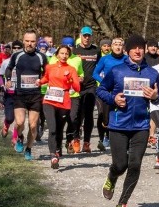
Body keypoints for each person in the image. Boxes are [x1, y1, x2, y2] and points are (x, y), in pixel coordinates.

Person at [96, 34, 159, 207]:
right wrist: (113, 99)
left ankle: (123, 204)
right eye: (134, 47)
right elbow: (101, 89)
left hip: (141, 125)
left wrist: (155, 97)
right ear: (127, 51)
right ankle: (112, 176)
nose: (138, 50)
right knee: (120, 164)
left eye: (141, 47)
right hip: (119, 124)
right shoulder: (117, 71)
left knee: (135, 165)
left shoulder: (152, 73)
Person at [5, 30, 48, 161]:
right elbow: (9, 68)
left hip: (35, 95)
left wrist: (42, 81)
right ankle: (19, 137)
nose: (30, 44)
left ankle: (28, 148)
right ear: (23, 41)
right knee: (19, 123)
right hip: (20, 94)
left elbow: (47, 73)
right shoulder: (17, 56)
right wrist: (8, 79)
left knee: (33, 125)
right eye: (27, 41)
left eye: (32, 41)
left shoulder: (41, 57)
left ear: (36, 42)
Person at [39, 44, 81, 169]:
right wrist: (39, 82)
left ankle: (58, 148)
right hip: (49, 101)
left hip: (64, 102)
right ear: (57, 54)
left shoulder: (71, 69)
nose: (64, 56)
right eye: (61, 53)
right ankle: (53, 156)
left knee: (59, 128)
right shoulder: (50, 67)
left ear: (69, 55)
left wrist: (70, 80)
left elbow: (77, 87)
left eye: (66, 54)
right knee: (52, 128)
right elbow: (45, 78)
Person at [93, 37, 126, 151]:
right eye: (115, 44)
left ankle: (117, 138)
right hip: (108, 91)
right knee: (104, 116)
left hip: (122, 92)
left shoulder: (127, 59)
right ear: (111, 46)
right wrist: (106, 83)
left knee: (120, 114)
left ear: (123, 47)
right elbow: (95, 73)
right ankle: (103, 138)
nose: (118, 46)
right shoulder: (105, 59)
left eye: (120, 44)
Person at [73, 26, 100, 154]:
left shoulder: (96, 50)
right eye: (85, 35)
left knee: (89, 114)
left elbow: (100, 66)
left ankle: (87, 142)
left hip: (91, 86)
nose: (87, 38)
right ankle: (76, 139)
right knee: (77, 114)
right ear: (80, 36)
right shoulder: (74, 50)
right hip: (77, 87)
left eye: (89, 36)